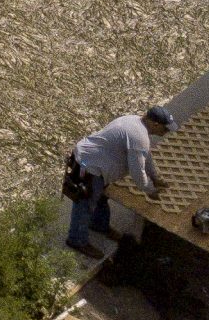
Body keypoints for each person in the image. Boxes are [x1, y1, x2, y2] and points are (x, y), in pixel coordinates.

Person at [66, 105, 175, 253]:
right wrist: (150, 190)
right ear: (155, 124)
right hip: (89, 166)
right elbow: (137, 172)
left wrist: (155, 176)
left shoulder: (134, 121)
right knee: (85, 203)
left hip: (94, 162)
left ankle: (99, 225)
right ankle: (77, 240)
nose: (166, 132)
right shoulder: (138, 137)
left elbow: (146, 155)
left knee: (100, 198)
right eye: (165, 128)